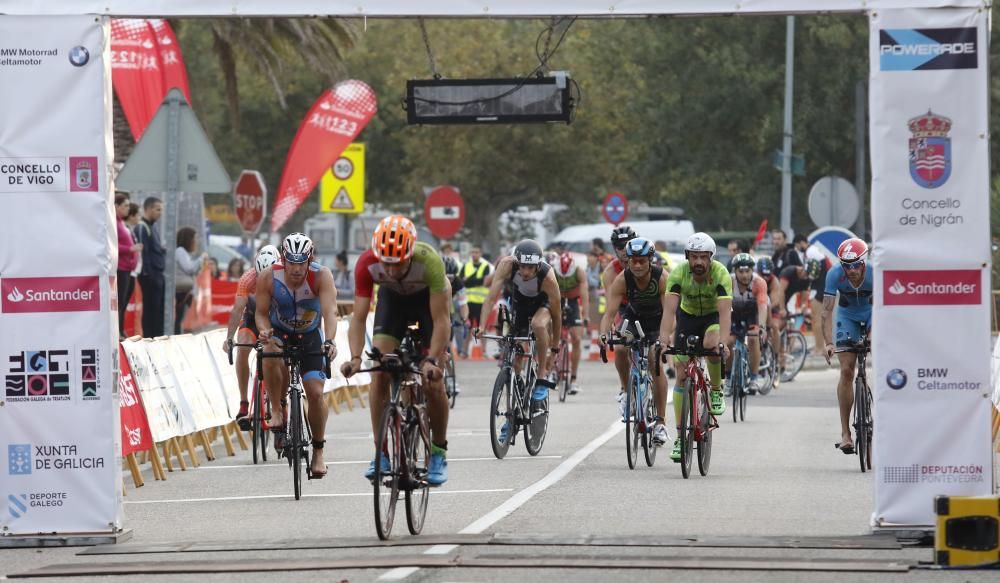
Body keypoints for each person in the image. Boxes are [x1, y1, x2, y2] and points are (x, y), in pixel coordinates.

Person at [341, 216, 451, 486]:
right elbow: (357, 318)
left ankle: (438, 452)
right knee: (379, 371)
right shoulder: (367, 264)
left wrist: (433, 360)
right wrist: (355, 358)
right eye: (386, 263)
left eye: (398, 262)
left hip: (427, 305)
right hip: (393, 304)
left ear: (410, 253)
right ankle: (381, 454)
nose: (390, 270)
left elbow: (441, 321)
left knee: (433, 382)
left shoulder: (430, 261)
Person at [255, 233, 338, 478]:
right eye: (291, 262)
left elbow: (330, 312)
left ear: (309, 259)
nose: (296, 269)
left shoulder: (321, 276)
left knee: (315, 393)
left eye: (301, 262)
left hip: (310, 336)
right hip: (279, 332)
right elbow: (260, 313)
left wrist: (331, 340)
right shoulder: (268, 277)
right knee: (269, 351)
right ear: (284, 259)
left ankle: (319, 452)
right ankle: (278, 409)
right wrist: (263, 330)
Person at [661, 232, 732, 461]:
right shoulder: (678, 273)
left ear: (710, 257)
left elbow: (724, 313)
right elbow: (670, 311)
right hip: (688, 318)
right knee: (681, 375)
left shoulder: (721, 273)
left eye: (703, 257)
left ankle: (716, 390)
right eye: (694, 257)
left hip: (712, 317)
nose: (699, 262)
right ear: (687, 257)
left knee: (711, 344)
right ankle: (682, 437)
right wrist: (663, 341)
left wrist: (723, 342)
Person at [599, 237, 671, 446]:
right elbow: (609, 314)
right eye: (633, 261)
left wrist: (665, 339)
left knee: (653, 360)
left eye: (642, 261)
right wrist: (603, 335)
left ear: (650, 260)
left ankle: (660, 422)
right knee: (620, 347)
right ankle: (625, 391)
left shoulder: (662, 278)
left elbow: (670, 313)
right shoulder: (622, 279)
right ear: (628, 261)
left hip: (658, 320)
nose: (637, 265)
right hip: (634, 317)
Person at [478, 240, 562, 406]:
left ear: (538, 266)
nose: (525, 271)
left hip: (542, 303)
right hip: (521, 301)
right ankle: (516, 396)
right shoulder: (506, 265)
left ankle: (541, 375)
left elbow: (557, 315)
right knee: (516, 353)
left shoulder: (548, 277)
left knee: (538, 325)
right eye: (522, 266)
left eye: (530, 268)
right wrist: (481, 326)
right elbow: (491, 297)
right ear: (517, 262)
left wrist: (555, 348)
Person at [821, 238, 873, 455]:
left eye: (855, 265)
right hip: (847, 316)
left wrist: (872, 335)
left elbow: (884, 309)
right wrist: (829, 343)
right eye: (846, 265)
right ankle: (845, 434)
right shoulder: (834, 274)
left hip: (872, 314)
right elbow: (826, 312)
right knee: (846, 370)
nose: (851, 270)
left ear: (863, 261)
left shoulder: (875, 273)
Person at [222, 245, 281, 429]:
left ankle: (282, 406)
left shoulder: (283, 277)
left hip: (275, 320)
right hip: (252, 319)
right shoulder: (247, 278)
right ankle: (243, 403)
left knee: (279, 355)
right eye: (260, 276)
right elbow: (238, 309)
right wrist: (229, 338)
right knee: (243, 347)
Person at [602, 224, 638, 414]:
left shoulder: (646, 262)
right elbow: (611, 307)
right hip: (624, 309)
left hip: (648, 307)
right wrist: (610, 330)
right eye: (619, 246)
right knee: (621, 348)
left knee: (653, 354)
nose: (624, 250)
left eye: (627, 245)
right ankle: (625, 389)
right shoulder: (609, 272)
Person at [725, 253, 768, 395]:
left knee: (753, 338)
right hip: (733, 314)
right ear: (735, 271)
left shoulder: (758, 282)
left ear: (752, 270)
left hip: (752, 315)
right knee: (728, 342)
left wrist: (761, 327)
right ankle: (729, 377)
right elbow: (722, 306)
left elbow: (762, 307)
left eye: (747, 271)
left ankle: (754, 378)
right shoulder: (728, 281)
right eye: (741, 271)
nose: (744, 275)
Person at [550, 251, 590, 395]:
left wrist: (585, 316)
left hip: (573, 303)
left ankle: (573, 379)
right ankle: (553, 369)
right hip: (557, 300)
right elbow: (547, 292)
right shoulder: (553, 269)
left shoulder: (579, 271)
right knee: (552, 335)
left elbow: (585, 294)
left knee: (577, 338)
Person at [134, 197, 166, 338]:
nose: (160, 213)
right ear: (148, 209)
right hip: (150, 275)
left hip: (158, 273)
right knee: (150, 310)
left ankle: (157, 336)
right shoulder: (142, 227)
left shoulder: (153, 227)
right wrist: (147, 274)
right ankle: (150, 337)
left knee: (158, 310)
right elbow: (143, 253)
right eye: (158, 209)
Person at [114, 192, 142, 336]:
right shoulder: (114, 223)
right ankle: (118, 331)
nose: (127, 209)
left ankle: (120, 330)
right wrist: (130, 249)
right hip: (121, 268)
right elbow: (112, 245)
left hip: (128, 269)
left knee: (123, 302)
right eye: (125, 206)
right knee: (119, 303)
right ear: (116, 206)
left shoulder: (121, 223)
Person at [460, 246, 493, 358]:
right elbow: (461, 282)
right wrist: (473, 281)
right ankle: (464, 351)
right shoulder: (466, 266)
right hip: (468, 303)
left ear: (481, 253)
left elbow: (484, 282)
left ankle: (484, 352)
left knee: (482, 327)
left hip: (481, 302)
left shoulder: (485, 266)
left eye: (477, 252)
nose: (474, 254)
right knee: (467, 327)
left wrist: (468, 280)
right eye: (473, 252)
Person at [174, 227, 206, 335]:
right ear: (188, 239)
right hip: (181, 289)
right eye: (195, 238)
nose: (196, 242)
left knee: (180, 317)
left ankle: (178, 334)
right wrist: (200, 259)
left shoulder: (184, 253)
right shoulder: (180, 251)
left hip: (185, 290)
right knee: (178, 318)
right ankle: (176, 335)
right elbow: (189, 268)